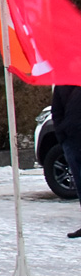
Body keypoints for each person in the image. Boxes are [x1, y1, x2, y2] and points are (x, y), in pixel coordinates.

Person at [49, 84, 81, 238]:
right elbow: (56, 110)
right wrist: (63, 138)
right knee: (79, 184)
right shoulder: (63, 83)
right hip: (72, 141)